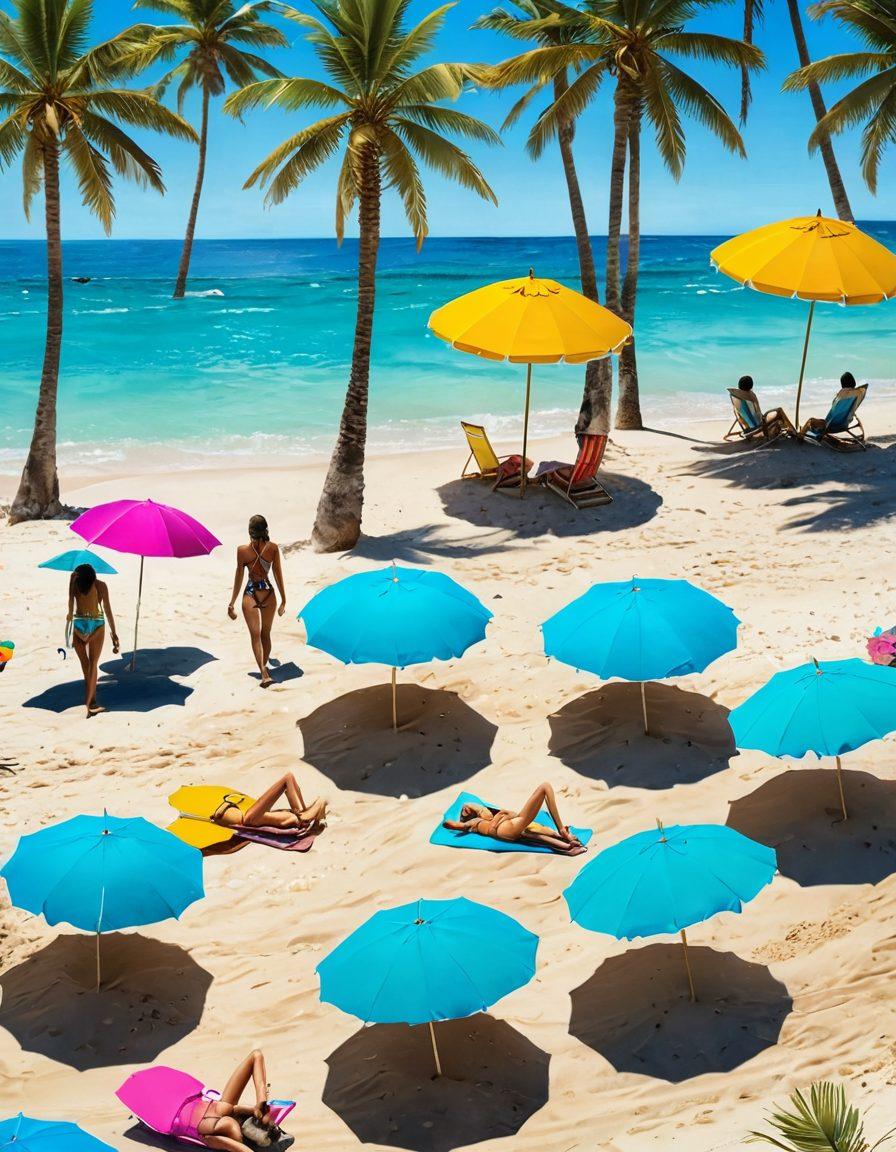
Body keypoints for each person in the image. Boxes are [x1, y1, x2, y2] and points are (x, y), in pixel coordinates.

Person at [172, 1049, 292, 1152]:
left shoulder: (230, 1122)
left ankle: (260, 1110)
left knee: (256, 1055)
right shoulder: (228, 1128)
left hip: (207, 1111)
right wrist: (260, 1104)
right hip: (205, 1119)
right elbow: (241, 1148)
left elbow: (257, 1055)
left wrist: (261, 1101)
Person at [443, 782, 586, 855]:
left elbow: (512, 814)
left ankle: (568, 846)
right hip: (508, 829)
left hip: (509, 829)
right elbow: (453, 825)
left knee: (539, 837)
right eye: (464, 811)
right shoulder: (474, 823)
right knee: (545, 787)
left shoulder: (488, 818)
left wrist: (499, 817)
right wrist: (449, 822)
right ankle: (562, 831)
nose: (465, 808)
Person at [228, 515, 286, 688]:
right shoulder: (273, 548)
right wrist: (284, 599)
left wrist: (232, 602)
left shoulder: (242, 551)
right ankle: (264, 666)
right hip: (268, 592)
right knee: (265, 634)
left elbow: (238, 578)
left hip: (251, 592)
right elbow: (277, 574)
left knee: (255, 635)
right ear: (266, 529)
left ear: (249, 531)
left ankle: (263, 672)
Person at [66, 564, 118, 717]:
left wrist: (70, 584)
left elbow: (70, 610)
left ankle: (91, 700)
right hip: (96, 624)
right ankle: (91, 703)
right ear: (94, 576)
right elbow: (107, 609)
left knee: (85, 665)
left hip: (79, 625)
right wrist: (114, 632)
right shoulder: (100, 585)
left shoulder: (74, 585)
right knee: (93, 665)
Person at [212, 773, 327, 833]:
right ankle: (306, 810)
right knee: (289, 778)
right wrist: (304, 810)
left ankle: (307, 810)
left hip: (250, 819)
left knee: (289, 777)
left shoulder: (296, 819)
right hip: (251, 817)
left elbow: (218, 815)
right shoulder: (295, 818)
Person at [799, 371, 865, 437]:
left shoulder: (841, 395)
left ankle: (800, 436)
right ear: (853, 382)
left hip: (830, 425)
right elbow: (863, 389)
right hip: (843, 424)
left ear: (843, 383)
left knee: (811, 420)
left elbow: (834, 412)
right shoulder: (857, 393)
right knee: (819, 423)